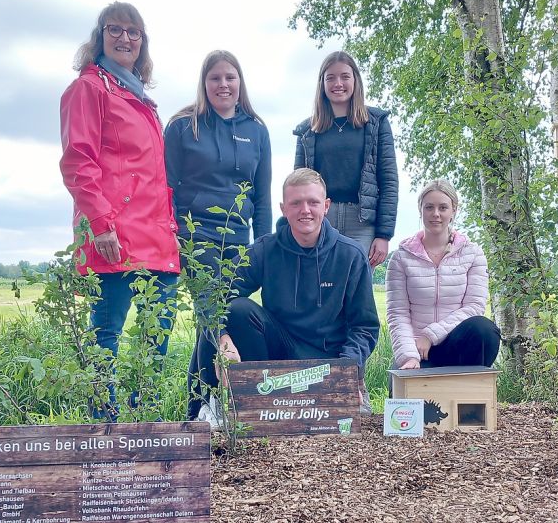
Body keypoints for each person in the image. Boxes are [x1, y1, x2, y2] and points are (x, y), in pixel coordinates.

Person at [59, 2, 179, 419]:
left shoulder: (142, 99)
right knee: (106, 333)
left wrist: (171, 223)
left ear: (143, 43)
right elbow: (78, 161)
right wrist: (100, 224)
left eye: (134, 32)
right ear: (100, 36)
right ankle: (104, 426)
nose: (125, 38)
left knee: (156, 333)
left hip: (157, 236)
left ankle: (143, 419)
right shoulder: (88, 89)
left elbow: (152, 172)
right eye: (116, 29)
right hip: (113, 234)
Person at [202, 169, 379, 420]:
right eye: (296, 203)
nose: (305, 210)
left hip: (329, 363)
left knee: (344, 429)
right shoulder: (265, 250)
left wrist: (346, 373)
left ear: (326, 206)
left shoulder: (350, 255)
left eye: (313, 202)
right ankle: (244, 403)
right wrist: (222, 338)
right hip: (279, 356)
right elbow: (214, 297)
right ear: (284, 208)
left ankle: (341, 390)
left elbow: (364, 327)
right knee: (238, 309)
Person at [164, 50, 272, 420]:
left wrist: (264, 245)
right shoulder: (183, 126)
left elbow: (262, 194)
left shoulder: (256, 130)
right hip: (196, 237)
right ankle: (212, 405)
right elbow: (167, 187)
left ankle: (198, 410)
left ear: (240, 82)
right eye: (215, 78)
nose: (223, 85)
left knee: (210, 324)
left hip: (238, 240)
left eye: (230, 77)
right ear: (204, 83)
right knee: (213, 315)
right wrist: (174, 233)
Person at [293, 51, 399, 268]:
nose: (337, 83)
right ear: (322, 83)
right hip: (320, 221)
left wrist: (384, 234)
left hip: (362, 223)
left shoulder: (376, 123)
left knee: (356, 296)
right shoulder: (307, 130)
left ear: (355, 80)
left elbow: (389, 180)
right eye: (330, 77)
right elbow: (298, 186)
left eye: (344, 76)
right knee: (317, 290)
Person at [385, 180, 501, 370]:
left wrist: (430, 335)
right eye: (429, 207)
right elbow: (398, 314)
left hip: (457, 345)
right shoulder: (400, 258)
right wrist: (408, 357)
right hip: (419, 351)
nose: (436, 214)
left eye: (443, 207)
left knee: (484, 329)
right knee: (404, 393)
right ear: (420, 210)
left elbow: (474, 307)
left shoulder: (473, 253)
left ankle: (472, 393)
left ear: (454, 210)